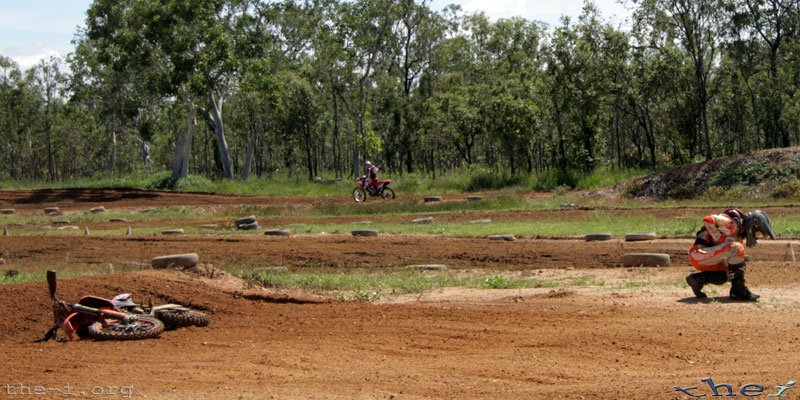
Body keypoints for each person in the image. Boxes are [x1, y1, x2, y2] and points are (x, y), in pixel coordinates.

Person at [685, 208, 775, 301]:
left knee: (733, 272)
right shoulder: (732, 222)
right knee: (737, 248)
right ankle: (738, 291)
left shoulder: (738, 233)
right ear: (753, 225)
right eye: (758, 234)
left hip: (706, 257)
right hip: (698, 253)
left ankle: (697, 279)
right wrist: (719, 238)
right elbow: (708, 220)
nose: (757, 237)